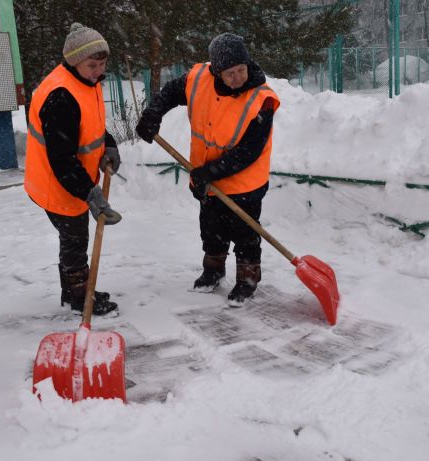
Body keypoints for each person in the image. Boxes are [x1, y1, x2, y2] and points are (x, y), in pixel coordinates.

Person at [135, 33, 280, 306]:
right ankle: (213, 271)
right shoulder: (199, 78)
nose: (237, 77)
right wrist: (153, 113)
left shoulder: (261, 100)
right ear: (216, 72)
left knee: (245, 233)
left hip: (244, 183)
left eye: (241, 70)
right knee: (211, 228)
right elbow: (169, 93)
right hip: (207, 178)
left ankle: (247, 280)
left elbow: (248, 152)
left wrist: (210, 172)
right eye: (229, 73)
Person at [24, 22, 123, 316]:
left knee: (74, 238)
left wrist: (110, 143)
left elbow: (90, 123)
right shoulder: (60, 97)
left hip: (73, 179)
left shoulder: (85, 83)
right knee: (75, 239)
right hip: (58, 183)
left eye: (102, 64)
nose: (99, 71)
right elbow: (62, 159)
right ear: (73, 61)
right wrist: (90, 194)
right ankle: (80, 296)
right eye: (92, 64)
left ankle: (75, 290)